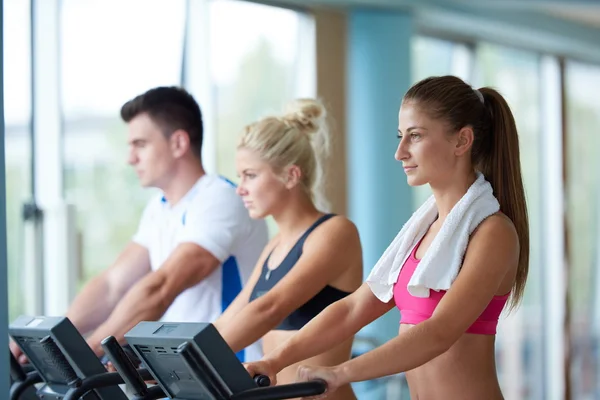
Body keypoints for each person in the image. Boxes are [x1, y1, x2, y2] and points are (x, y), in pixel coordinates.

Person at [245, 75, 529, 400]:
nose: (400, 152)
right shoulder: (422, 232)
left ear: (462, 141)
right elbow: (352, 310)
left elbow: (439, 332)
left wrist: (341, 373)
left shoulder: (493, 233)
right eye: (400, 136)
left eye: (415, 136)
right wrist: (274, 361)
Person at [10, 86, 269, 364]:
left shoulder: (219, 198)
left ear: (179, 143)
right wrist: (53, 338)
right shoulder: (159, 208)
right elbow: (113, 285)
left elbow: (162, 287)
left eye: (140, 145)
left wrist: (90, 349)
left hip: (231, 373)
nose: (130, 158)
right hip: (186, 373)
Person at [212, 99, 363, 399]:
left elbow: (270, 308)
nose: (239, 188)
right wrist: (161, 363)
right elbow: (228, 320)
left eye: (250, 175)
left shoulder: (335, 233)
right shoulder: (273, 247)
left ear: (291, 175)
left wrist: (187, 362)